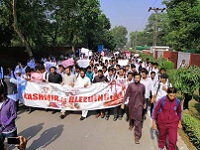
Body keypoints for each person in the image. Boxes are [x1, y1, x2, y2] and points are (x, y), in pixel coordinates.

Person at [121, 73, 146, 144]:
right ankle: (131, 124)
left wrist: (144, 103)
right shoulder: (130, 85)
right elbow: (126, 94)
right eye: (136, 78)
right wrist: (123, 103)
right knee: (131, 116)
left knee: (138, 120)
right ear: (134, 78)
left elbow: (143, 95)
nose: (137, 79)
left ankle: (137, 136)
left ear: (140, 78)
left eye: (138, 78)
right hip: (131, 104)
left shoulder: (142, 86)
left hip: (139, 105)